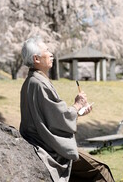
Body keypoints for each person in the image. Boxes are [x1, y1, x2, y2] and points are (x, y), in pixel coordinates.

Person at [20, 36, 115, 182]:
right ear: (36, 59)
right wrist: (77, 105)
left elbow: (51, 116)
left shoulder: (31, 82)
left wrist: (78, 112)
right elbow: (59, 117)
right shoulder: (39, 83)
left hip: (39, 141)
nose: (51, 54)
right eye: (47, 51)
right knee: (101, 170)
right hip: (49, 147)